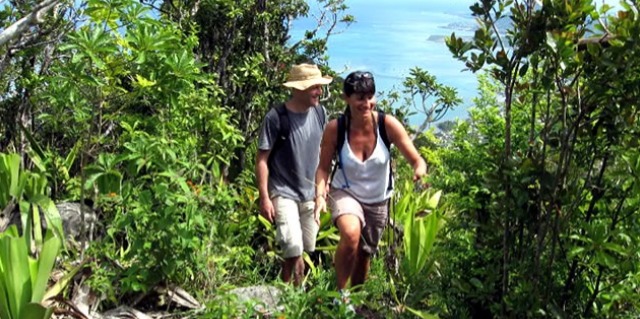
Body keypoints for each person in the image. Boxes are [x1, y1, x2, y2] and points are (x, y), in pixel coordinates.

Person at [313, 71, 427, 295]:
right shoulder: (336, 129)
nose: (366, 103)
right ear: (346, 98)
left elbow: (416, 159)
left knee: (365, 253)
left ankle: (355, 298)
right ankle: (341, 295)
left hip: (377, 199)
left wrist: (419, 169)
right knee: (351, 233)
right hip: (346, 192)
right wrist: (319, 195)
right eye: (360, 97)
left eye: (370, 96)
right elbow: (323, 168)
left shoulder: (387, 125)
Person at [256, 63, 333, 286]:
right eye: (314, 87)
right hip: (283, 191)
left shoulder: (320, 112)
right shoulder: (276, 117)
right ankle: (288, 301)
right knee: (293, 247)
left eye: (319, 86)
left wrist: (322, 189)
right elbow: (262, 159)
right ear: (299, 89)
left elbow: (322, 151)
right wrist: (264, 197)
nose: (319, 91)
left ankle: (291, 294)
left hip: (310, 194)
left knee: (307, 247)